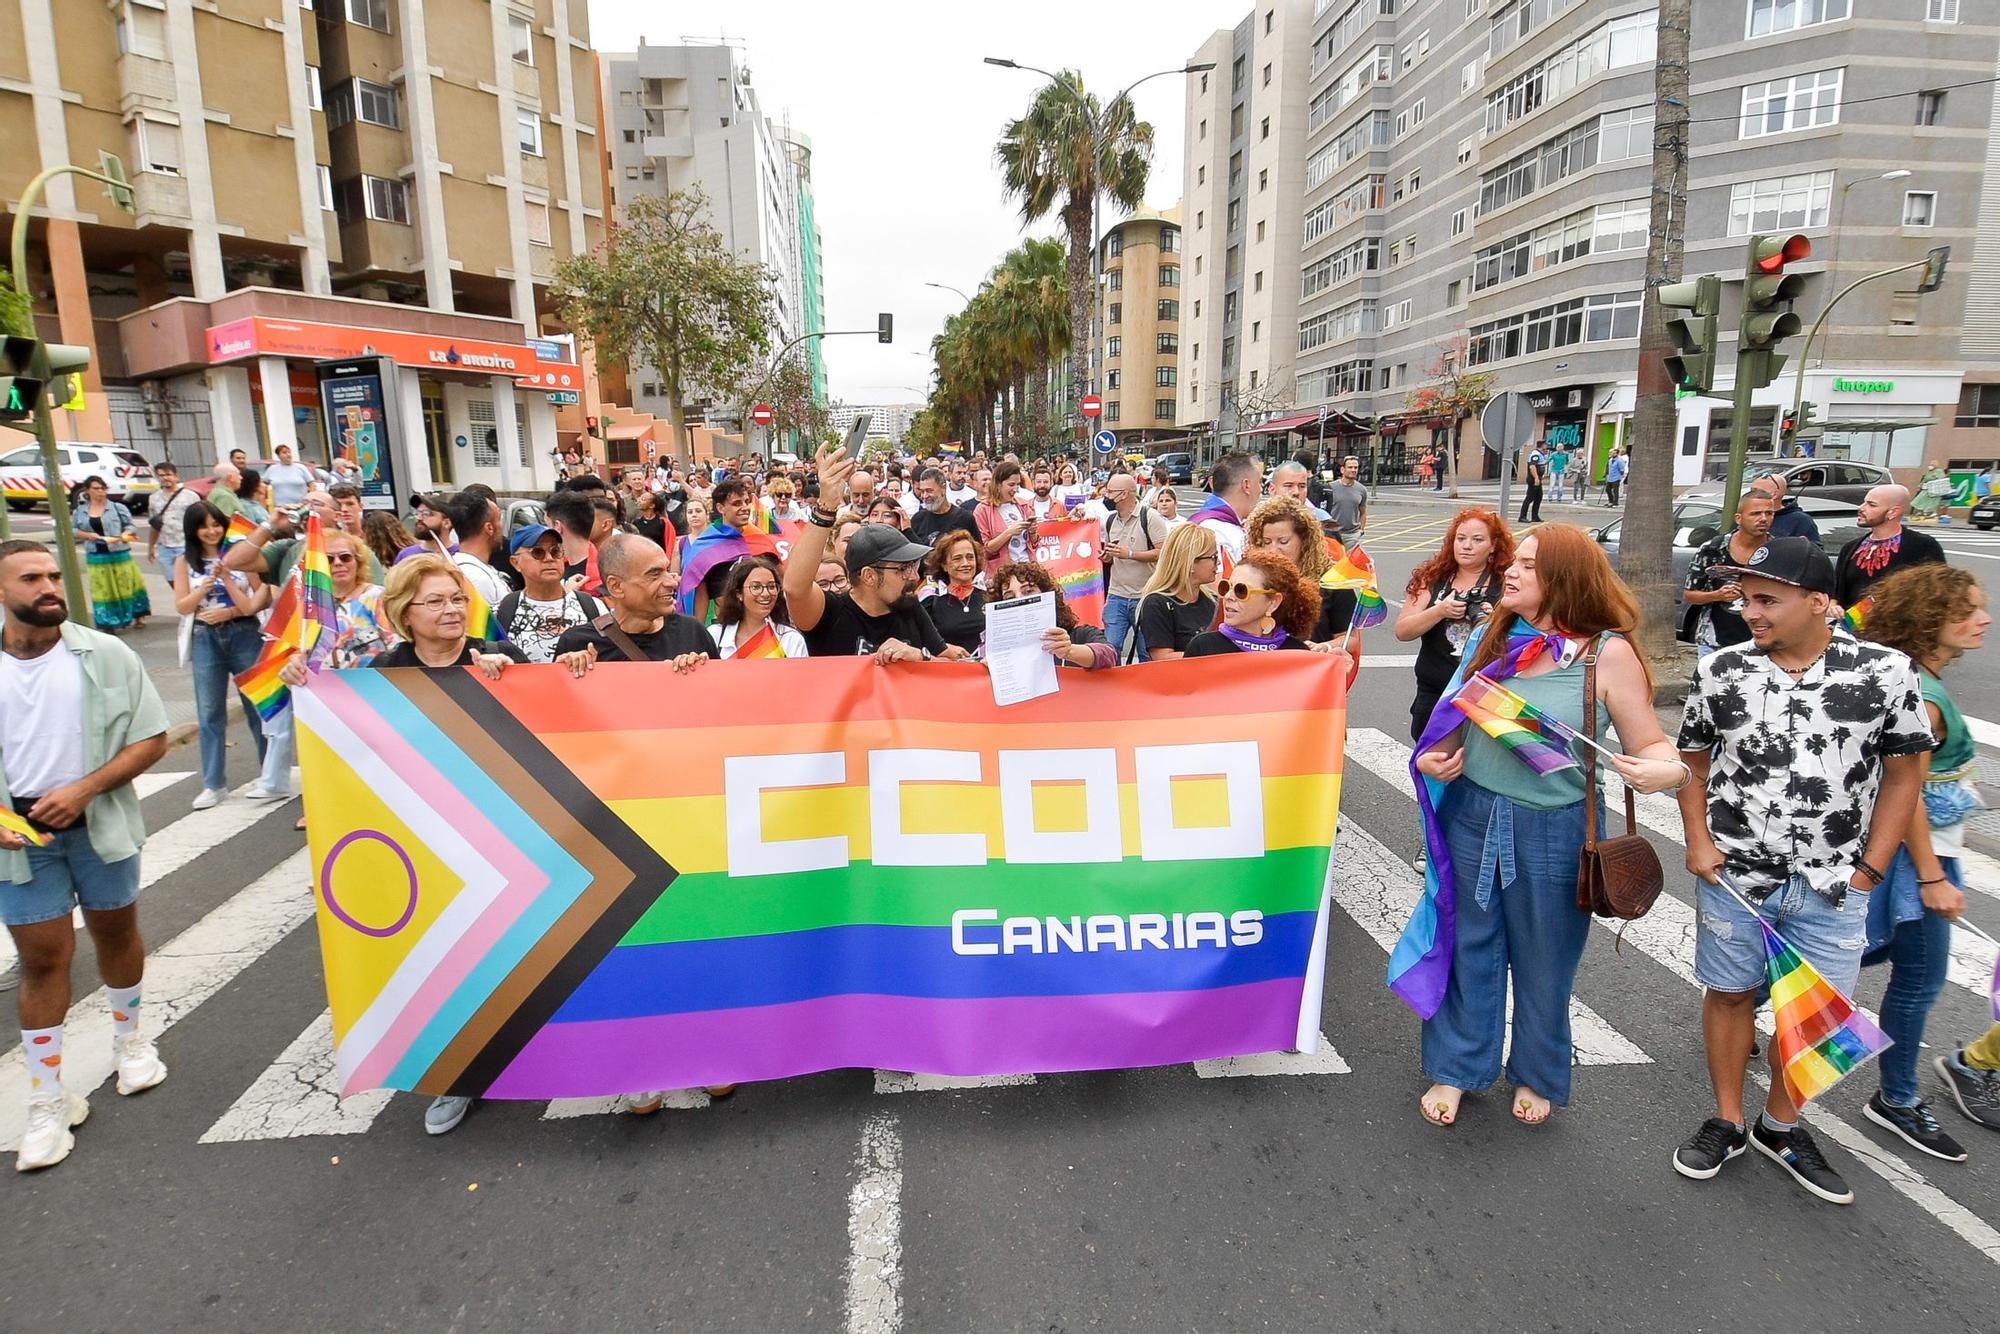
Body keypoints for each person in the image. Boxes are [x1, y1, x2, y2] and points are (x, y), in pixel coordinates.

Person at [1672, 537, 1930, 1205]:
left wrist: (1872, 870)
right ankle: (1727, 1119)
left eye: (1766, 599)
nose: (1749, 611)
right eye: (1745, 598)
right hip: (1734, 876)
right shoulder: (1722, 670)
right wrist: (1698, 843)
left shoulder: (1886, 673)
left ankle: (1781, 1125)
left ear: (1820, 603)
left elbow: (1905, 775)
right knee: (1729, 994)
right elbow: (1694, 763)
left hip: (1835, 881)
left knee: (1815, 1018)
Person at [1412, 525, 1686, 1129]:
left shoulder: (1606, 653)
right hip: (1474, 815)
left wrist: (1666, 772)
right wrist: (1438, 756)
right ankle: (1458, 1066)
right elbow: (1455, 720)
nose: (1510, 571)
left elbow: (1654, 742)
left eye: (1529, 567)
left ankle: (1537, 1073)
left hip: (1556, 829)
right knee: (1467, 950)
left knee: (1546, 958)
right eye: (1515, 562)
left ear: (1564, 579)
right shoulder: (1497, 633)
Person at [280, 555, 524, 1136]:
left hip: (509, 837)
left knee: (509, 956)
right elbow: (344, 751)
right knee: (447, 961)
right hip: (427, 846)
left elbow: (564, 706)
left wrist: (518, 672)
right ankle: (452, 1077)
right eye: (436, 602)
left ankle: (522, 1057)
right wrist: (305, 685)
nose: (452, 611)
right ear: (403, 615)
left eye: (458, 600)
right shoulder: (378, 676)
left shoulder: (498, 661)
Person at [0, 540, 171, 1171]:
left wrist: (84, 788)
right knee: (43, 960)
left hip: (97, 819)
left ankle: (131, 1043)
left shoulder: (103, 653)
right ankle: (47, 1098)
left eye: (52, 574)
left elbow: (151, 736)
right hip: (20, 836)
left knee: (116, 931)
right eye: (31, 578)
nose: (49, 586)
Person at [1853, 565, 1988, 1162]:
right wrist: (1933, 877)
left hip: (1919, 859)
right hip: (1919, 863)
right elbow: (1902, 794)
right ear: (1929, 621)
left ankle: (1747, 998)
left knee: (1862, 951)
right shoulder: (1925, 699)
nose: (1983, 620)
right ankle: (1897, 1099)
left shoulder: (1915, 679)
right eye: (1968, 611)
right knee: (1918, 980)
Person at [784, 443, 971, 663]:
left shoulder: (909, 607)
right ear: (869, 576)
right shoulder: (830, 613)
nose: (913, 577)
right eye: (902, 569)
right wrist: (826, 508)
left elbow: (953, 665)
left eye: (912, 566)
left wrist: (920, 656)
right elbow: (795, 589)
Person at [173, 501, 270, 809]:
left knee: (257, 706)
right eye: (204, 526)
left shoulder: (240, 555)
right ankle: (214, 783)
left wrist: (228, 605)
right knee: (209, 711)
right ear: (193, 530)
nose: (211, 531)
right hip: (206, 637)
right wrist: (206, 586)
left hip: (244, 632)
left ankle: (270, 773)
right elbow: (182, 605)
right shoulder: (184, 561)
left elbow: (260, 597)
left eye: (216, 524)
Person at [1396, 508, 1514, 742]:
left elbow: (1526, 636)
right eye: (1461, 538)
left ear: (1493, 546)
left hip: (1484, 692)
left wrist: (1493, 621)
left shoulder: (1507, 582)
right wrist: (1439, 610)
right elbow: (1403, 631)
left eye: (1477, 540)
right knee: (1430, 762)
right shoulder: (1431, 577)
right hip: (1434, 691)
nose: (1466, 546)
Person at [554, 533, 718, 670]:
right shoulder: (578, 643)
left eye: (667, 570)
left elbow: (719, 701)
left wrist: (699, 673)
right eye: (654, 574)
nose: (672, 582)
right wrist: (564, 671)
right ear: (616, 586)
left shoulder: (692, 632)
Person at [1246, 496, 1356, 657]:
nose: (1273, 550)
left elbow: (1350, 638)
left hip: (1311, 670)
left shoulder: (1333, 580)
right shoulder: (1250, 578)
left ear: (1304, 541)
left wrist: (1325, 646)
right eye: (1266, 542)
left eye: (1283, 541)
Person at [1683, 491, 1776, 659]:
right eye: (1755, 513)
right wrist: (1717, 595)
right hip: (1714, 643)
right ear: (1738, 518)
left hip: (1763, 643)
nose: (1763, 518)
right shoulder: (1712, 549)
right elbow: (1689, 595)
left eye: (1769, 513)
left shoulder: (1778, 551)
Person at [495, 524, 601, 663]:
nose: (549, 558)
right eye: (538, 552)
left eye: (555, 551)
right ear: (515, 563)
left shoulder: (593, 607)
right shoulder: (502, 612)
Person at [1185, 549, 1319, 656]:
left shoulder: (1297, 654)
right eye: (1226, 587)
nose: (1228, 596)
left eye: (1241, 590)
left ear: (1273, 602)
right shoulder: (1202, 648)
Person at [1834, 484, 1947, 608]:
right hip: (1851, 626)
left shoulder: (1923, 547)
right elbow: (1836, 595)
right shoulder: (1849, 548)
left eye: (1871, 505)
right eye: (1864, 502)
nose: (1861, 508)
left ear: (1893, 512)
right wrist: (1833, 606)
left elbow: (1937, 595)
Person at [991, 562, 1115, 669]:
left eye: (1028, 591)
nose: (1019, 599)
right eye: (1010, 597)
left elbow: (1110, 656)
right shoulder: (1000, 650)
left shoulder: (1081, 635)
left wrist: (1070, 651)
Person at [1100, 474, 1170, 662]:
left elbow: (1163, 553)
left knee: (1147, 653)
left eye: (1110, 491)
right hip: (1116, 595)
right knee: (1109, 650)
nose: (1105, 495)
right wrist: (1107, 557)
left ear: (1123, 494)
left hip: (1145, 597)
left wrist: (1130, 554)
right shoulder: (1110, 520)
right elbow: (1113, 555)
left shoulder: (1150, 517)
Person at [69, 478, 150, 633]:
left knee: (125, 585)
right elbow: (72, 530)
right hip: (96, 553)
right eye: (96, 488)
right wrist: (87, 535)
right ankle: (107, 621)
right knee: (102, 588)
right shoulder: (80, 511)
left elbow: (131, 526)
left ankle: (137, 614)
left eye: (103, 488)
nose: (101, 491)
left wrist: (126, 533)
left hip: (118, 551)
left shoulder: (117, 507)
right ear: (88, 490)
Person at [1134, 523, 1221, 663]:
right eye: (1213, 557)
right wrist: (1212, 654)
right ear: (1191, 563)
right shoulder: (1156, 604)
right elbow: (1162, 658)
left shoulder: (1214, 601)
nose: (1217, 563)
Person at [708, 555, 808, 659]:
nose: (765, 593)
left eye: (771, 586)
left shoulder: (791, 639)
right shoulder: (715, 635)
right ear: (739, 594)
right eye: (756, 587)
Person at [918, 529, 987, 656]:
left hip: (985, 671)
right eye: (957, 559)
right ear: (944, 565)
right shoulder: (930, 598)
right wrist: (944, 649)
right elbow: (919, 640)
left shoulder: (990, 595)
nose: (965, 563)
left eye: (970, 557)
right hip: (947, 671)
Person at [442, 490, 509, 610]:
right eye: (498, 519)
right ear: (489, 528)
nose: (501, 527)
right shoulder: (476, 578)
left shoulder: (463, 567)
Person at [1192, 451, 1262, 565]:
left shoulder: (1214, 524)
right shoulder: (1215, 531)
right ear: (1246, 485)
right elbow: (1216, 582)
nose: (1260, 490)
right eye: (1260, 482)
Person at [543, 488, 608, 598]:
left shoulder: (601, 577)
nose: (544, 531)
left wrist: (566, 597)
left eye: (547, 526)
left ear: (558, 526)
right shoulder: (552, 567)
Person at [974, 461, 1034, 577]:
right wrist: (1009, 532)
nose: (1015, 489)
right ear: (998, 484)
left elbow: (1034, 543)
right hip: (1002, 574)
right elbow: (984, 549)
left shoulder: (1023, 505)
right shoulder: (983, 510)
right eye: (1011, 485)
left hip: (1027, 568)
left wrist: (1032, 532)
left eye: (1018, 484)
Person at [144, 462, 199, 586]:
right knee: (172, 581)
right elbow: (154, 525)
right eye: (161, 475)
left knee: (190, 582)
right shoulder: (154, 498)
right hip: (165, 546)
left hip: (185, 545)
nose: (165, 478)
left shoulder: (191, 496)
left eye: (168, 474)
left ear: (176, 476)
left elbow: (199, 522)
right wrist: (151, 547)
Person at [909, 468, 978, 547]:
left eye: (929, 491)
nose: (924, 496)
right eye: (922, 491)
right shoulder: (918, 519)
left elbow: (978, 552)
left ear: (943, 488)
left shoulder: (964, 518)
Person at [1749, 473, 1821, 546]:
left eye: (1757, 491)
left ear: (1774, 494)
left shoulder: (1801, 521)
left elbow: (1815, 553)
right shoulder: (1745, 515)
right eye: (1751, 491)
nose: (1751, 495)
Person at [1325, 455, 1369, 548]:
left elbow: (1363, 512)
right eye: (1350, 467)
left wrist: (1361, 530)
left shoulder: (1362, 490)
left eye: (1356, 467)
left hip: (1352, 535)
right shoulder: (1330, 487)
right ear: (1342, 470)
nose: (1353, 470)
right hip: (1333, 534)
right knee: (1334, 561)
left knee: (1350, 562)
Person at [263, 444, 314, 508]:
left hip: (301, 507)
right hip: (280, 507)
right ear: (278, 456)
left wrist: (310, 499)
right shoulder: (272, 469)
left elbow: (312, 484)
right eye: (284, 453)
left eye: (289, 452)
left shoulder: (300, 467)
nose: (288, 455)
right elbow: (262, 485)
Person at [1518, 445, 1545, 525]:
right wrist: (1536, 478)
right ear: (1542, 445)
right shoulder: (1535, 454)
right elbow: (1532, 467)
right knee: (1529, 498)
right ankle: (1522, 516)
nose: (1547, 446)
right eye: (1546, 444)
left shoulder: (1540, 454)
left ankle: (1535, 516)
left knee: (1538, 497)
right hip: (1533, 480)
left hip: (1538, 480)